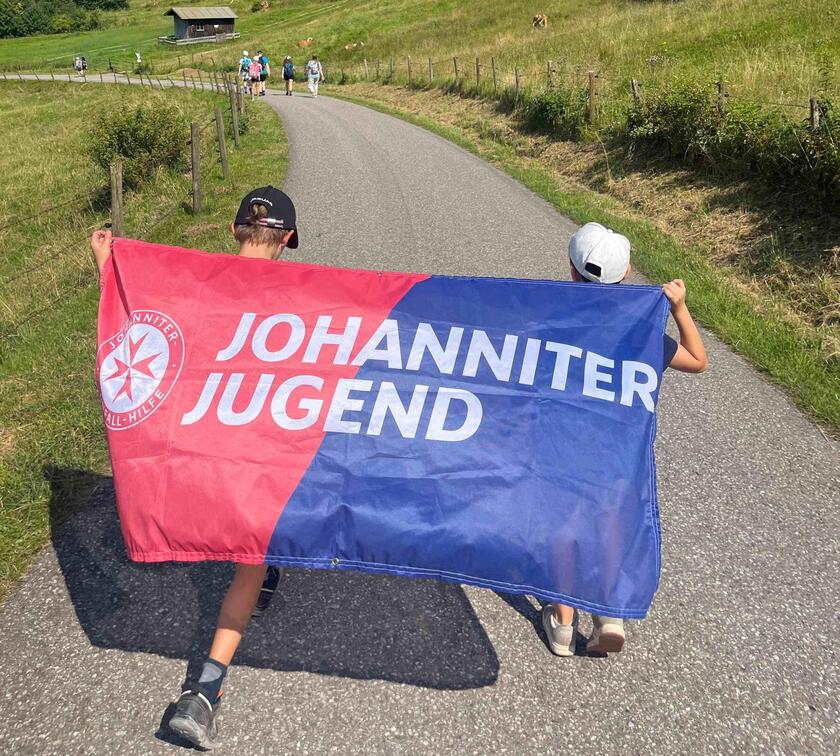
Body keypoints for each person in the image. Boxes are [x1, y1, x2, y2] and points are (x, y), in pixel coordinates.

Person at [90, 186, 301, 750]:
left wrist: (110, 264)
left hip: (204, 442)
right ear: (287, 239)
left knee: (244, 541)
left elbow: (144, 315)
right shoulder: (299, 294)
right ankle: (205, 691)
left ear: (234, 231)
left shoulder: (199, 280)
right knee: (251, 559)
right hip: (263, 447)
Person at [541, 222, 708, 658]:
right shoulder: (639, 333)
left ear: (572, 270)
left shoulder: (556, 318)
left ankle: (562, 622)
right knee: (608, 523)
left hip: (564, 445)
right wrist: (679, 309)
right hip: (615, 452)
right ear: (628, 271)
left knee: (564, 524)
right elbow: (697, 360)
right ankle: (609, 613)